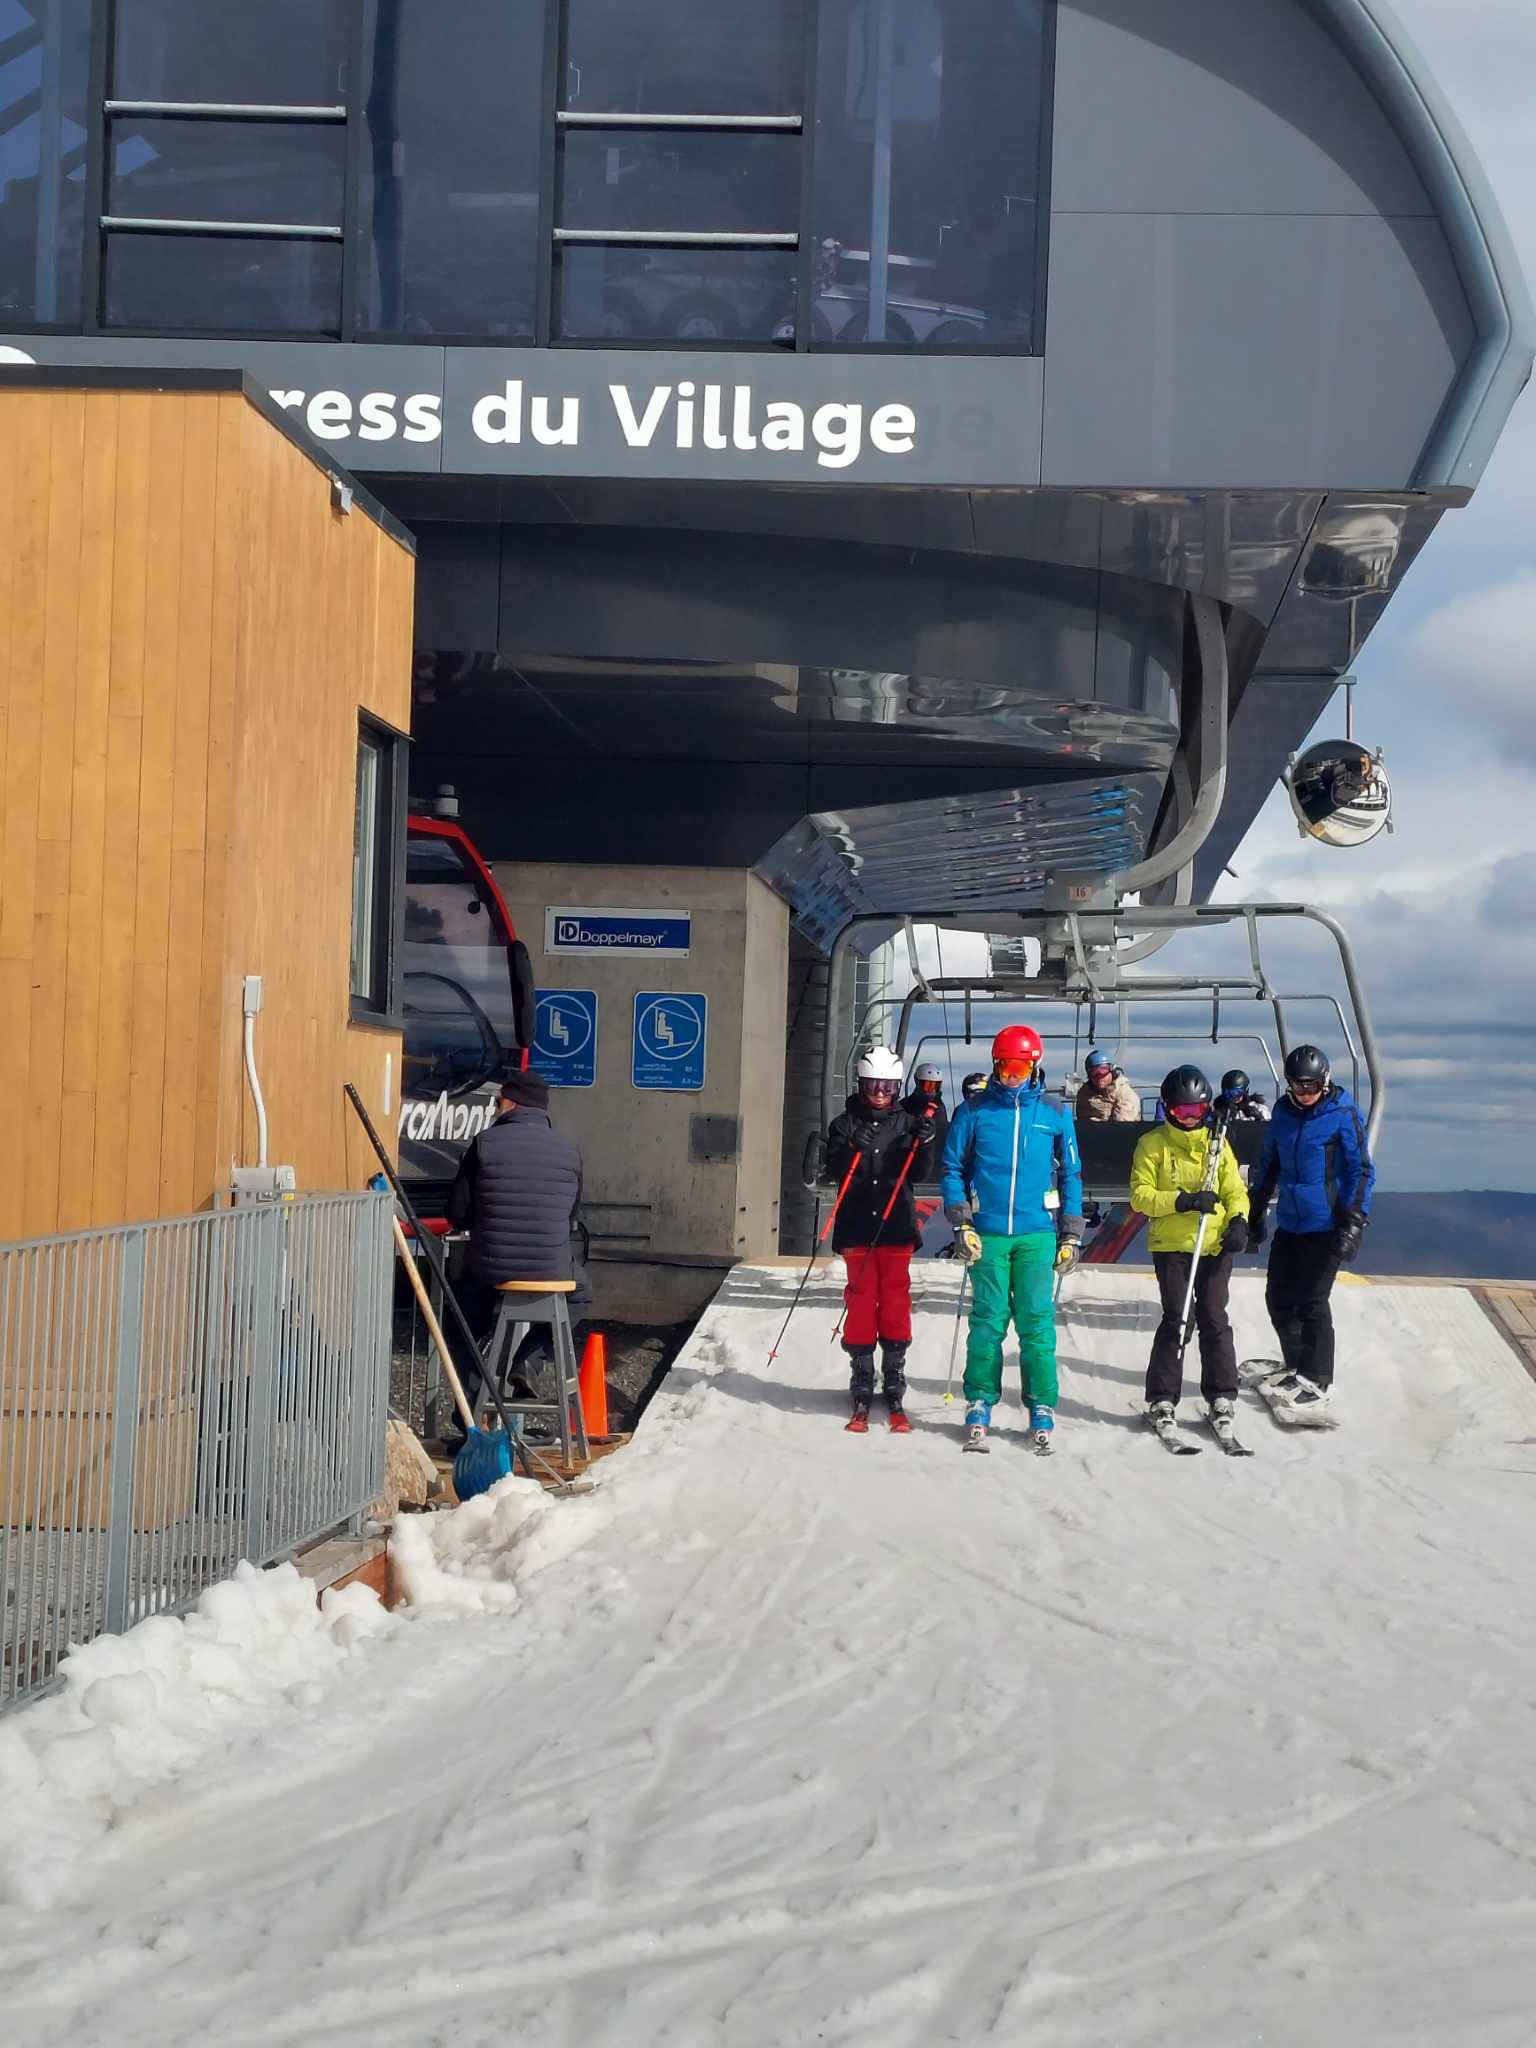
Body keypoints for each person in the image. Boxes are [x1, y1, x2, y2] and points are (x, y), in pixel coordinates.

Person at [941, 1024, 1083, 1450]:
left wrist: (1071, 1233)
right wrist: (961, 1222)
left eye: (1019, 1067)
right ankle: (980, 1398)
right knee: (988, 1322)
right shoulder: (974, 1111)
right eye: (1004, 1067)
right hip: (989, 1235)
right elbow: (951, 1169)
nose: (1011, 1076)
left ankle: (1041, 1402)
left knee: (1036, 1322)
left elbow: (1071, 1173)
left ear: (1035, 1066)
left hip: (1037, 1233)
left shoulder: (1055, 1114)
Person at [444, 1065, 583, 1438]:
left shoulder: (484, 1144)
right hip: (553, 1268)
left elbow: (456, 1213)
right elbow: (571, 1215)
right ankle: (528, 1361)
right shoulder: (569, 1150)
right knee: (581, 1295)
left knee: (462, 1324)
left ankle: (473, 1420)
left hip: (492, 1268)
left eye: (496, 1101)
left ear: (508, 1102)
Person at [1249, 1044, 1375, 1420]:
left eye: (1311, 1087)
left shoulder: (1341, 1114)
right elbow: (1269, 1164)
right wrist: (1255, 1210)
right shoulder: (1284, 1114)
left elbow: (1361, 1170)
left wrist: (1353, 1221)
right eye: (1297, 1087)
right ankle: (1297, 1366)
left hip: (1327, 1224)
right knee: (1278, 1298)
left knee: (1313, 1302)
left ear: (1326, 1081)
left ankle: (1319, 1378)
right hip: (1291, 1221)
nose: (1304, 1094)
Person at [825, 1047, 939, 1432]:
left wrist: (924, 1142)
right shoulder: (844, 1124)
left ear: (897, 1086)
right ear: (861, 1084)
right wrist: (852, 1146)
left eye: (888, 1086)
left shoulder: (907, 1123)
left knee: (894, 1297)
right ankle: (861, 1373)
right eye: (873, 1085)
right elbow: (835, 1168)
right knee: (860, 1298)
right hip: (858, 1225)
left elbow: (919, 1173)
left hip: (895, 1226)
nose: (880, 1093)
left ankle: (894, 1372)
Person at [1130, 1066, 1250, 1428]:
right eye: (1182, 1112)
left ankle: (1222, 1394)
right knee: (1179, 1318)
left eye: (1196, 1112)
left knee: (1214, 1316)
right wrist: (1182, 1201)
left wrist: (1239, 1221)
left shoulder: (1217, 1143)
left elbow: (1234, 1191)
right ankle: (1163, 1397)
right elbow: (1140, 1196)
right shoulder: (1152, 1145)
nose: (1189, 1119)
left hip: (1213, 1244)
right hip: (1173, 1245)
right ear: (1167, 1109)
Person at [900, 1060, 950, 1163]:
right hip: (905, 1158)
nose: (932, 1091)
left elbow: (940, 1137)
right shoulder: (905, 1105)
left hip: (932, 1161)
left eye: (936, 1086)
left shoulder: (938, 1109)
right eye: (928, 1086)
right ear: (918, 1083)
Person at [1075, 1049, 1141, 1124]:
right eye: (1094, 1073)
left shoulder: (1125, 1094)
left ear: (1112, 1071)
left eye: (1103, 1071)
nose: (1099, 1077)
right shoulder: (1084, 1094)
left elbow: (1122, 1127)